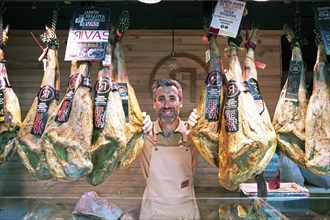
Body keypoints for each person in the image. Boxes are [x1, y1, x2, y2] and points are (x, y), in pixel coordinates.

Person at [139, 79, 201, 220]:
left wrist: (203, 125)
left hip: (186, 213)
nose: (167, 105)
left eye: (172, 99)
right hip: (152, 213)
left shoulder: (194, 133)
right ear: (154, 104)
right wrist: (136, 123)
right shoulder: (143, 133)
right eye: (161, 99)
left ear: (181, 102)